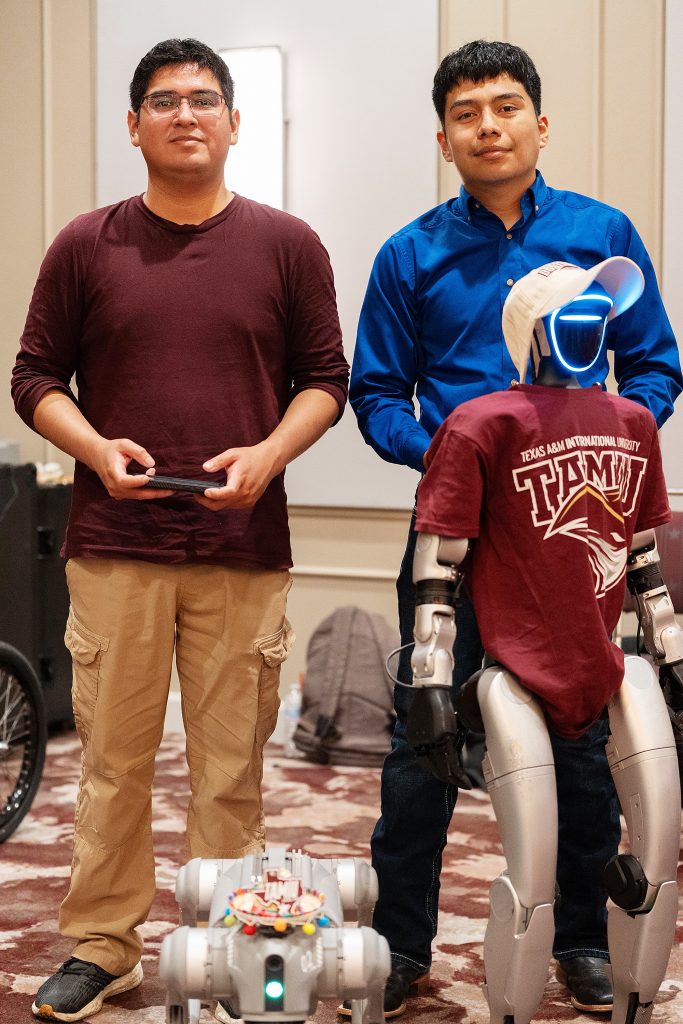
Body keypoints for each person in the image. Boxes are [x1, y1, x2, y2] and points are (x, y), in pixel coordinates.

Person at [12, 38, 348, 1023]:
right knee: (112, 763)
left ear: (234, 122)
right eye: (163, 100)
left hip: (243, 547)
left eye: (204, 98)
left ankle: (232, 948)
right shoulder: (86, 243)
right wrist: (92, 442)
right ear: (134, 125)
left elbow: (324, 380)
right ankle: (103, 945)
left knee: (231, 766)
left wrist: (268, 456)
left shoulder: (287, 244)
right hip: (114, 541)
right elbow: (35, 377)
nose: (185, 113)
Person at [347, 39, 682, 1019]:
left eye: (504, 107)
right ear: (443, 136)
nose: (485, 125)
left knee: (577, 735)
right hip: (451, 538)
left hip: (569, 539)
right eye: (465, 112)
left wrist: (591, 446)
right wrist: (458, 463)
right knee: (423, 740)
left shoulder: (599, 233)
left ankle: (580, 934)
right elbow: (374, 394)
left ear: (539, 122)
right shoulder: (409, 253)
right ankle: (399, 941)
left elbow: (653, 371)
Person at [411, 257, 681, 1024]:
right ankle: (423, 956)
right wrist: (430, 682)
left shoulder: (631, 423)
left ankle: (584, 947)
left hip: (592, 659)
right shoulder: (481, 425)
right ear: (534, 330)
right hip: (510, 662)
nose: (595, 321)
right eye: (579, 309)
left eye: (602, 311)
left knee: (599, 812)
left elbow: (640, 558)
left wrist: (671, 653)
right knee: (528, 839)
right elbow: (440, 564)